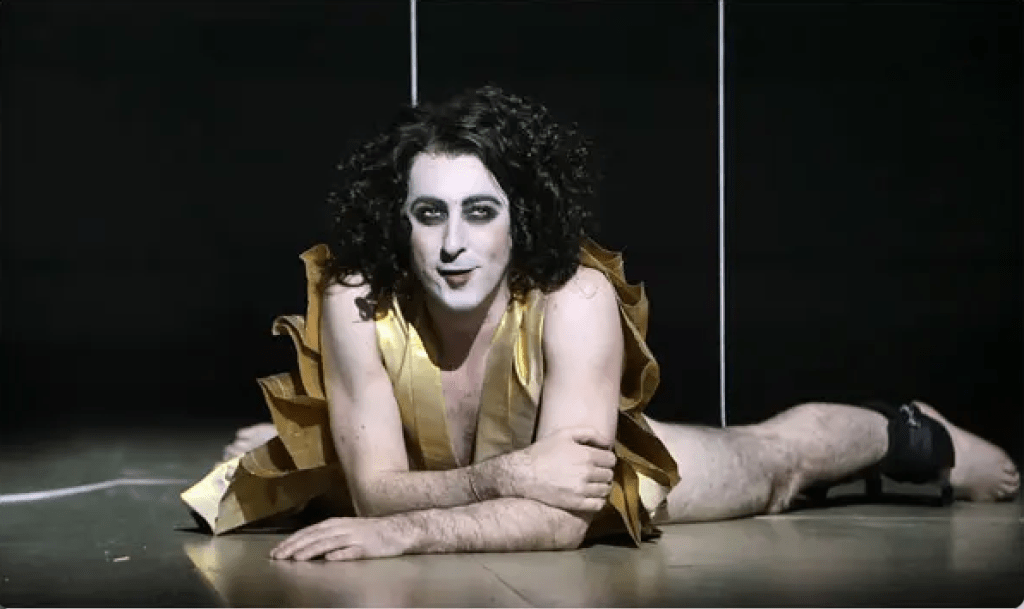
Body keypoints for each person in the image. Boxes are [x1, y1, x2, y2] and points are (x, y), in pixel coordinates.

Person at [183, 86, 1019, 562]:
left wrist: (404, 527)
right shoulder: (357, 295)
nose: (452, 244)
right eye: (429, 214)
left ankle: (913, 433)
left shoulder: (575, 297)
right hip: (509, 472)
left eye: (480, 211)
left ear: (520, 220)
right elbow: (373, 492)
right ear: (399, 223)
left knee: (772, 464)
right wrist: (508, 474)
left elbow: (558, 519)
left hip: (595, 479)